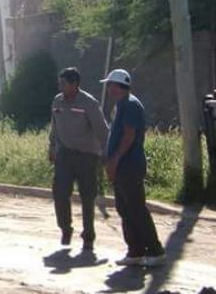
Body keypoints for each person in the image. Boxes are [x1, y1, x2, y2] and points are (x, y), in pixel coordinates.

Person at [101, 69, 165, 267]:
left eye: (111, 84)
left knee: (136, 208)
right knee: (124, 208)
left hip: (129, 165)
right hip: (122, 166)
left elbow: (129, 135)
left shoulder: (130, 105)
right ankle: (135, 251)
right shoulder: (121, 105)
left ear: (120, 86)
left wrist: (115, 160)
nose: (109, 88)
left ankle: (154, 250)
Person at [48, 67, 109, 251]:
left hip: (87, 156)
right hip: (65, 154)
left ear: (74, 84)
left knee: (87, 196)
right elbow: (54, 126)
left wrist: (107, 154)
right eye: (60, 83)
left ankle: (88, 235)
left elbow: (102, 129)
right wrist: (51, 147)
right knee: (59, 192)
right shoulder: (57, 101)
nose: (60, 86)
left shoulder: (88, 103)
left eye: (63, 83)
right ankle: (65, 228)